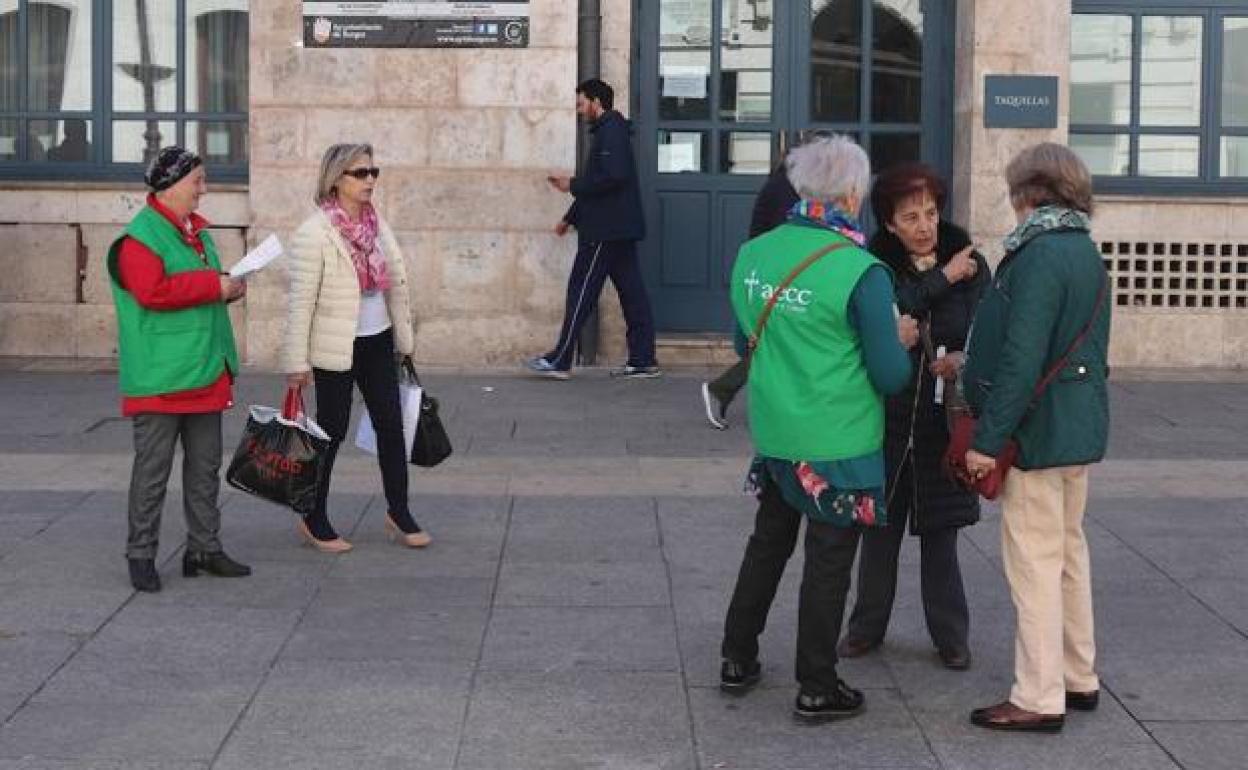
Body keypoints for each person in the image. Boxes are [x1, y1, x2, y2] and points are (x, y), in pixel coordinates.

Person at [718, 135, 919, 723]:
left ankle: (737, 656)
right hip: (839, 440)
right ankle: (816, 682)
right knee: (829, 560)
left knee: (768, 544)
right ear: (853, 194)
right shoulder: (862, 270)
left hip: (777, 432)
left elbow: (742, 343)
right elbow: (889, 373)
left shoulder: (754, 254)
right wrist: (902, 340)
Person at [963, 143, 1111, 732]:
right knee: (1069, 555)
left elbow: (1022, 357)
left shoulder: (1037, 255)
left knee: (1034, 563)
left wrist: (988, 438)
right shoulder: (1083, 250)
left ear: (1030, 192)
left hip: (1037, 432)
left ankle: (1038, 694)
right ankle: (1078, 676)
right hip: (1076, 426)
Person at [837, 163, 989, 671]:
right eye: (910, 217)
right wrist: (941, 279)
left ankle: (951, 637)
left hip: (942, 423)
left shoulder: (970, 262)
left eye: (930, 213)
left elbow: (988, 328)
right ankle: (865, 628)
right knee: (879, 532)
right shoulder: (875, 267)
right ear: (890, 224)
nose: (924, 226)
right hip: (888, 418)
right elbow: (887, 316)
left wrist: (964, 360)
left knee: (941, 537)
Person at [106, 145, 252, 592]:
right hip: (162, 376)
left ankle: (204, 548)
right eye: (197, 182)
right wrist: (215, 285)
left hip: (204, 368)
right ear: (169, 186)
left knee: (205, 467)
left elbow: (193, 286)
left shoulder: (196, 233)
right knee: (153, 471)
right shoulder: (139, 239)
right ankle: (141, 554)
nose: (203, 191)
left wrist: (230, 286)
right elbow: (153, 291)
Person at [281, 143, 428, 553]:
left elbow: (397, 284)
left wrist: (404, 340)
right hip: (335, 346)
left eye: (373, 172)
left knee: (391, 426)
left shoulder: (379, 226)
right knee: (332, 430)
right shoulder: (315, 233)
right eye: (360, 173)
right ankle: (314, 517)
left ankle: (399, 510)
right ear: (336, 179)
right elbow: (300, 303)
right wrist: (296, 362)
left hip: (378, 339)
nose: (370, 181)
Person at [526, 78, 659, 380]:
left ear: (597, 101)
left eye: (581, 103)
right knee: (632, 293)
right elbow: (599, 181)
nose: (579, 110)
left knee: (581, 290)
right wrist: (570, 217)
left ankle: (560, 360)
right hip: (618, 228)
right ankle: (643, 359)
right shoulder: (610, 131)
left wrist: (570, 185)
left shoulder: (610, 131)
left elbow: (614, 177)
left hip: (605, 230)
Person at [699, 142, 802, 429]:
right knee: (775, 345)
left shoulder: (782, 184)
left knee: (777, 345)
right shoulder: (785, 188)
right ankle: (721, 389)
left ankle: (730, 393)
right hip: (773, 275)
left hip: (769, 272)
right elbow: (787, 236)